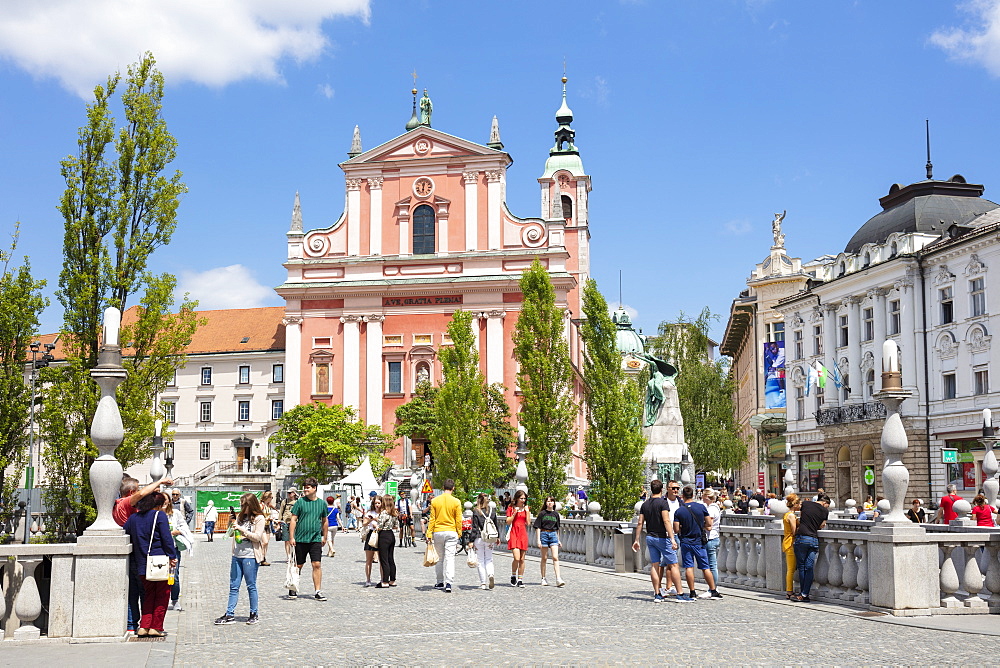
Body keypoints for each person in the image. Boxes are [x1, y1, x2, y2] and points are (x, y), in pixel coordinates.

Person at [123, 491, 176, 637]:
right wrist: (172, 556)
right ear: (158, 505)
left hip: (141, 563)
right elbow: (166, 538)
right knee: (162, 595)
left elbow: (125, 532)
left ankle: (143, 626)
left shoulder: (133, 518)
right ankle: (156, 627)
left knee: (148, 595)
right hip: (159, 562)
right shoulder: (159, 516)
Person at [214, 492, 266, 625]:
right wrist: (231, 524)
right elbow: (231, 533)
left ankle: (254, 613)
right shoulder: (240, 517)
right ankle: (229, 613)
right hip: (237, 555)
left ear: (250, 505)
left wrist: (242, 530)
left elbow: (257, 537)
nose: (241, 507)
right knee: (234, 586)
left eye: (243, 505)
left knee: (251, 585)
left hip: (250, 556)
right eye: (240, 505)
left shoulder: (259, 518)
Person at [632, 479, 681, 603]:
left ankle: (657, 593)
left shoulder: (645, 504)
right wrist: (672, 538)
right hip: (662, 538)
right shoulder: (663, 503)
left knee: (655, 565)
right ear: (662, 489)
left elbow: (639, 523)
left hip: (650, 537)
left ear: (651, 490)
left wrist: (636, 540)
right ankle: (680, 594)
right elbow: (666, 521)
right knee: (674, 564)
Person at [673, 486, 721, 601]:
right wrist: (701, 526)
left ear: (682, 496)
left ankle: (692, 592)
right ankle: (713, 590)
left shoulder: (679, 511)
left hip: (685, 541)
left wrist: (682, 527)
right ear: (693, 495)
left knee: (689, 567)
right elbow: (709, 524)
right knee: (705, 567)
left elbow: (676, 529)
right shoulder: (700, 507)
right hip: (699, 541)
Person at [289, 478, 328, 601]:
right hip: (300, 539)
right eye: (305, 487)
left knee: (316, 564)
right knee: (298, 565)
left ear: (314, 488)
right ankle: (293, 587)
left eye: (308, 487)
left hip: (315, 538)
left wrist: (325, 536)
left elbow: (324, 521)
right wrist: (291, 537)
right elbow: (293, 520)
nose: (306, 489)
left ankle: (317, 591)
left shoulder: (322, 504)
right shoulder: (300, 502)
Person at [426, 478, 463, 593]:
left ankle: (440, 581)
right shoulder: (456, 502)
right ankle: (449, 583)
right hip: (451, 531)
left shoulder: (435, 501)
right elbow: (458, 520)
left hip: (438, 531)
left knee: (440, 558)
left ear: (443, 488)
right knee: (450, 558)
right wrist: (459, 532)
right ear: (453, 488)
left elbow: (432, 519)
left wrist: (429, 533)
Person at [793, 493, 830, 603]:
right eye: (827, 505)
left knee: (802, 566)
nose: (826, 507)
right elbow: (822, 526)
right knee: (809, 567)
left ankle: (801, 593)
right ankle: (805, 594)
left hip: (802, 538)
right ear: (824, 503)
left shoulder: (806, 504)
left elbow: (800, 517)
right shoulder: (825, 511)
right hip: (813, 539)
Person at [163, 494, 194, 611]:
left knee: (174, 576)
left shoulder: (175, 513)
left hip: (173, 548)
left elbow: (183, 526)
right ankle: (163, 601)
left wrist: (178, 531)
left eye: (166, 500)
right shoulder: (155, 514)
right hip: (159, 550)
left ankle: (175, 599)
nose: (165, 503)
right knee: (161, 577)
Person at [533, 496, 565, 587]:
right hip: (544, 534)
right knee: (544, 557)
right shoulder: (542, 514)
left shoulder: (556, 514)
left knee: (555, 557)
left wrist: (558, 540)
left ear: (554, 503)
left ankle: (558, 578)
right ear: (545, 503)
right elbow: (538, 527)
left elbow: (557, 528)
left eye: (551, 501)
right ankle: (543, 578)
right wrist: (538, 540)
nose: (549, 503)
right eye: (548, 501)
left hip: (553, 535)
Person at [471, 494, 499, 590]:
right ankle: (490, 574)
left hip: (479, 537)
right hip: (490, 538)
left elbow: (474, 528)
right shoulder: (492, 511)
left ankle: (483, 583)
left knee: (480, 561)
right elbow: (495, 525)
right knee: (489, 559)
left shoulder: (476, 511)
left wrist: (470, 540)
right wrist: (497, 537)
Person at [505, 489, 530, 588]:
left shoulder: (526, 508)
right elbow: (508, 521)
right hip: (514, 532)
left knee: (522, 559)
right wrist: (514, 513)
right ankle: (513, 574)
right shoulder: (511, 508)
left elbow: (528, 523)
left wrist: (527, 512)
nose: (523, 500)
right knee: (516, 557)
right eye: (521, 498)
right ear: (517, 498)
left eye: (524, 498)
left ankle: (520, 579)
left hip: (522, 533)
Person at [374, 494, 400, 588]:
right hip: (391, 534)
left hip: (384, 535)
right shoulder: (394, 513)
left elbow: (380, 526)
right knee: (391, 559)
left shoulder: (384, 513)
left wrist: (375, 526)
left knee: (384, 559)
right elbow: (396, 526)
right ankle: (392, 580)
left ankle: (384, 581)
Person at [701, 488, 722, 589]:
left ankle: (713, 588)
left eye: (703, 496)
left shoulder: (711, 509)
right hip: (714, 537)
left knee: (711, 565)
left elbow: (709, 526)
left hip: (711, 538)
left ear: (707, 497)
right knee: (711, 564)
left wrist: (700, 524)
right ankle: (713, 587)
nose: (702, 498)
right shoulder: (715, 507)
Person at [781, 493, 800, 600]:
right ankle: (789, 591)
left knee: (790, 569)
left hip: (787, 542)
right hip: (791, 543)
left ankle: (789, 590)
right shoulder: (792, 516)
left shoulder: (786, 514)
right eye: (799, 503)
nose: (800, 505)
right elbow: (794, 531)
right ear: (795, 504)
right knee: (791, 569)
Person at [362, 496, 382, 586]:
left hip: (381, 534)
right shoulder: (370, 512)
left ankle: (383, 579)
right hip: (371, 534)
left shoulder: (383, 513)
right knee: (369, 559)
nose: (377, 505)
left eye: (379, 503)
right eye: (375, 503)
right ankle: (368, 579)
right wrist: (370, 519)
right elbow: (364, 523)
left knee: (382, 559)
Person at [279, 488, 298, 558]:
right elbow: (281, 511)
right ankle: (288, 556)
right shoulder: (285, 501)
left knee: (295, 539)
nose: (289, 494)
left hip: (296, 522)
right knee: (286, 540)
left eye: (291, 493)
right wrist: (279, 521)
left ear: (294, 493)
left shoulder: (297, 501)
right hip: (285, 522)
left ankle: (294, 554)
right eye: (288, 493)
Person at [259, 490, 276, 565]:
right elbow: (258, 516)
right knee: (264, 542)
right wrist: (267, 518)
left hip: (268, 525)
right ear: (267, 497)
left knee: (267, 543)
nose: (272, 499)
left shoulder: (268, 505)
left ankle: (263, 558)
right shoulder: (261, 505)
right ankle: (259, 556)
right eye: (271, 497)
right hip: (262, 525)